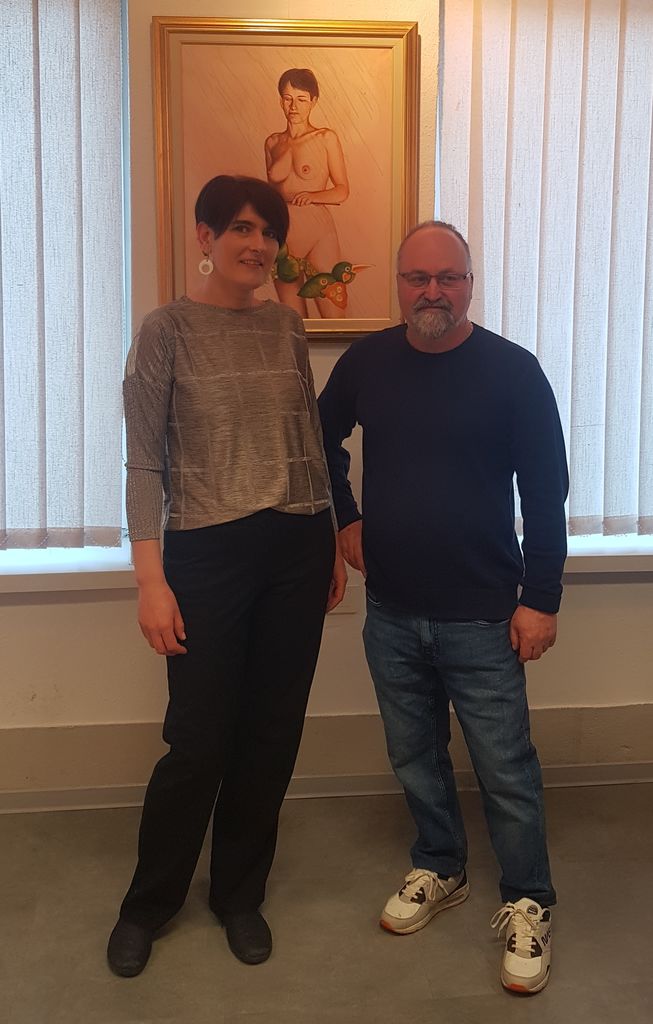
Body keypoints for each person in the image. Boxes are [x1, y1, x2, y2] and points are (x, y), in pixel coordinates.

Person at [318, 221, 568, 995]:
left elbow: (546, 494)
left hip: (484, 614)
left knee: (505, 769)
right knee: (413, 754)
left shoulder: (513, 372)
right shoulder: (366, 363)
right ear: (397, 284)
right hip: (391, 609)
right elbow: (318, 440)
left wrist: (540, 599)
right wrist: (345, 518)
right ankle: (440, 865)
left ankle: (528, 900)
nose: (432, 291)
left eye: (448, 278)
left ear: (468, 283)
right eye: (417, 277)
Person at [107, 175, 346, 978]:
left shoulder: (286, 325)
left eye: (269, 232)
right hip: (205, 552)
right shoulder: (166, 329)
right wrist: (150, 579)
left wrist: (326, 539)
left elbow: (306, 442)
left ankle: (239, 895)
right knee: (197, 740)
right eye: (241, 228)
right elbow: (144, 462)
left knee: (271, 732)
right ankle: (148, 905)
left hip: (295, 546)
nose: (258, 244)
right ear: (205, 236)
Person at [265, 68, 349, 318]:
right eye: (287, 98)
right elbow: (271, 196)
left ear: (313, 101)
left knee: (334, 319)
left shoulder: (325, 138)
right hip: (284, 238)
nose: (293, 106)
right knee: (294, 321)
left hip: (317, 233)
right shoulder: (272, 143)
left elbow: (342, 191)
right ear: (281, 101)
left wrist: (312, 196)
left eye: (301, 99)